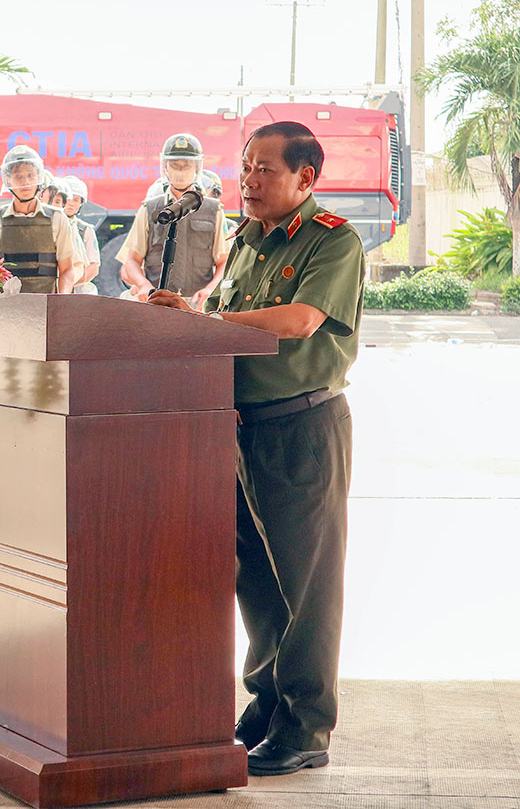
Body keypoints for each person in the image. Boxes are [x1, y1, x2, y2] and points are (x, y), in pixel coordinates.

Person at [149, 121, 364, 777]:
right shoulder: (246, 239)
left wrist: (203, 320)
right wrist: (184, 313)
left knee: (306, 584)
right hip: (239, 426)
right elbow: (223, 318)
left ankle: (306, 726)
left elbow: (298, 321)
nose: (249, 180)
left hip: (302, 429)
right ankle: (268, 702)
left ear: (306, 177)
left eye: (265, 169)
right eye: (245, 168)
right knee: (257, 579)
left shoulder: (333, 240)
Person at [117, 133, 229, 307]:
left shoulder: (214, 210)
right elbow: (132, 260)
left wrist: (211, 290)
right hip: (156, 302)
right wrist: (144, 286)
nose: (180, 170)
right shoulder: (149, 208)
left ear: (196, 168)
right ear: (165, 167)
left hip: (196, 304)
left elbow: (224, 262)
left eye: (186, 165)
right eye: (175, 165)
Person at [0, 146, 77, 294]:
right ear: (8, 181)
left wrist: (62, 302)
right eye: (18, 176)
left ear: (39, 178)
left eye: (30, 175)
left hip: (46, 307)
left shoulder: (57, 218)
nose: (25, 182)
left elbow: (67, 269)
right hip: (5, 309)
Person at [64, 177, 101, 295]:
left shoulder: (85, 230)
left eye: (76, 200)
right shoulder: (50, 225)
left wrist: (69, 285)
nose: (71, 203)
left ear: (81, 204)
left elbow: (93, 267)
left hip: (77, 291)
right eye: (68, 198)